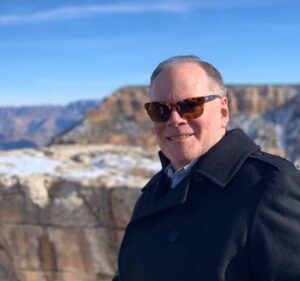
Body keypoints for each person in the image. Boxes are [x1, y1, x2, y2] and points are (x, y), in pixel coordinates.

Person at [112, 55, 300, 281]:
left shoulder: (269, 185)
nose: (175, 119)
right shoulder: (153, 193)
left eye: (190, 106)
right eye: (160, 110)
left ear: (223, 111)